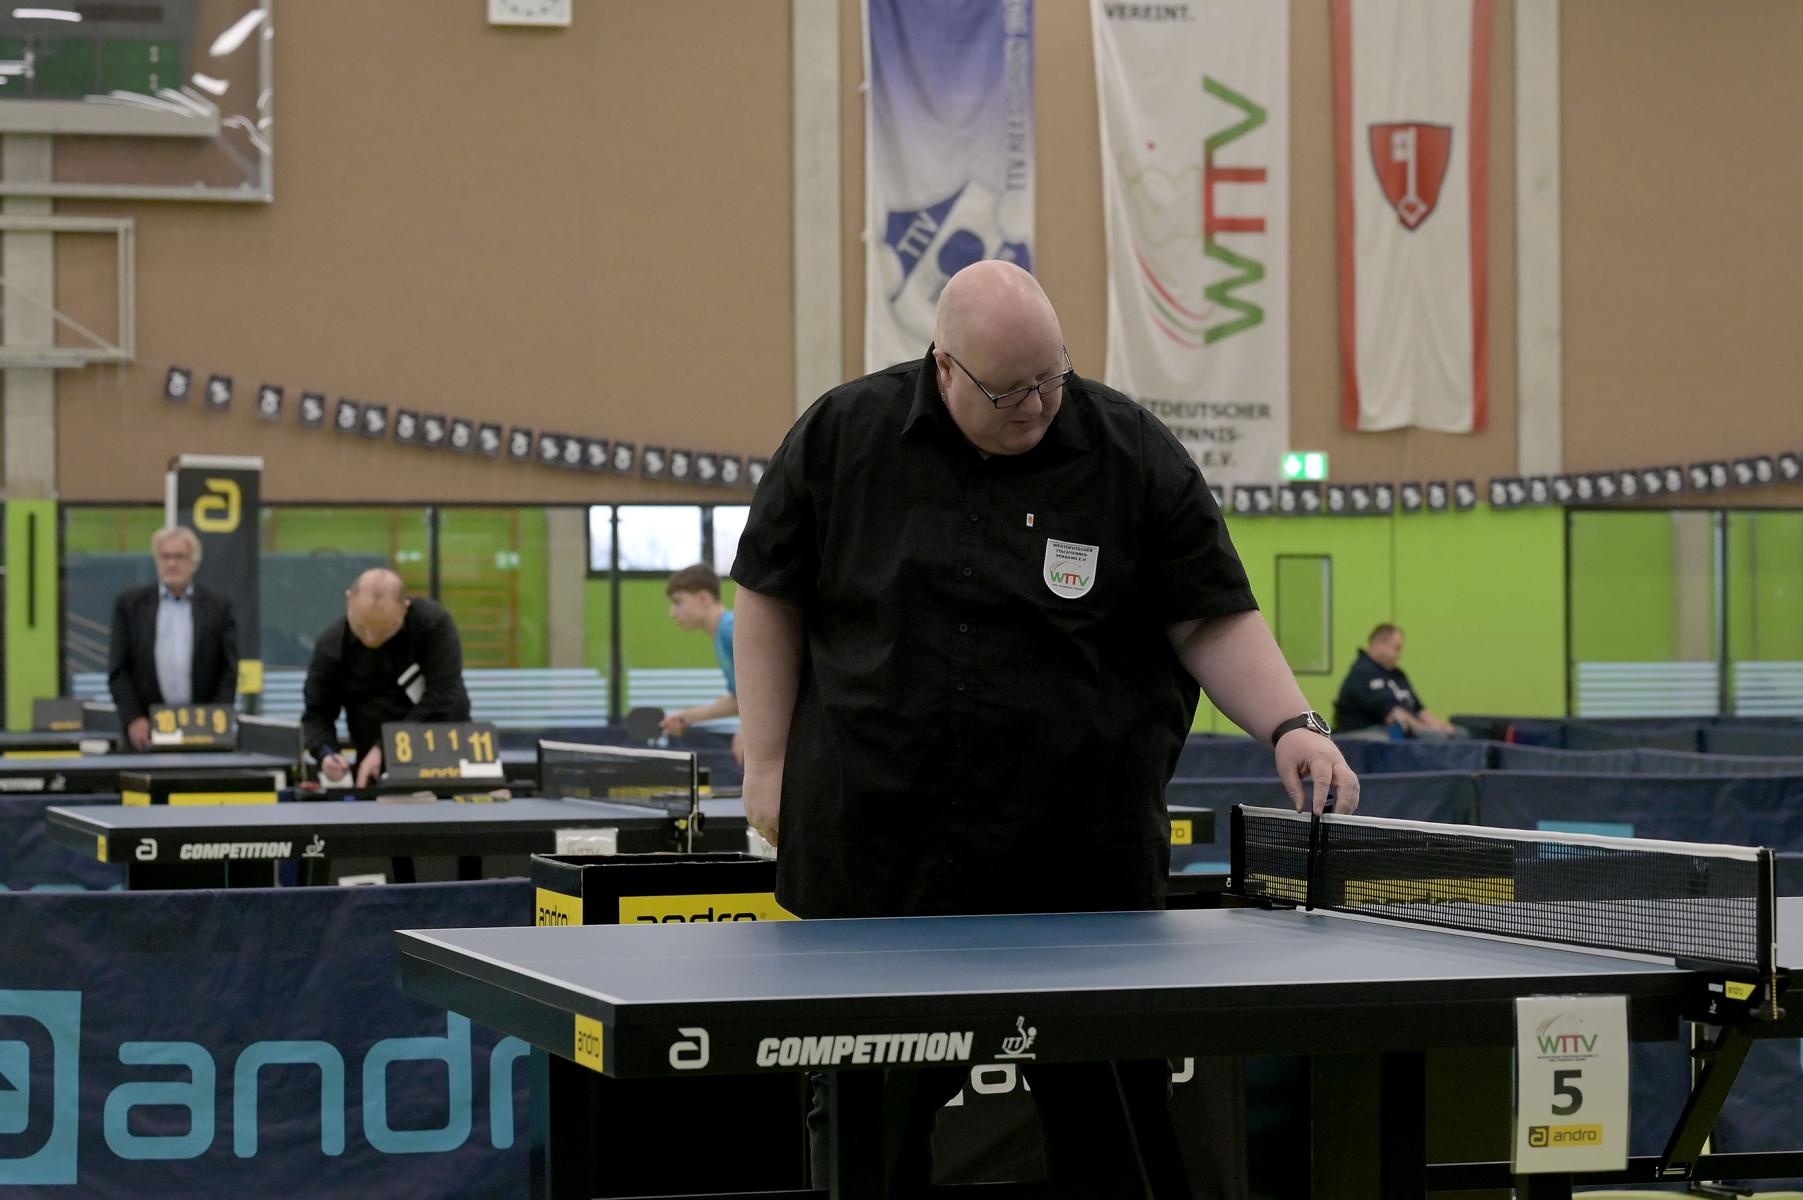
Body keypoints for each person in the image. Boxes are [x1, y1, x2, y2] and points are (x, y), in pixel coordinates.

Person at [730, 260, 1360, 1191]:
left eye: (1050, 376)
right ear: (944, 366)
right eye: (1008, 390)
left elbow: (1209, 616)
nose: (1034, 405)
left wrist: (1290, 722)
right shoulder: (842, 435)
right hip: (880, 861)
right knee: (869, 1135)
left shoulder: (1130, 452)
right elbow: (768, 593)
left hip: (1079, 866)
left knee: (1114, 1135)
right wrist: (769, 759)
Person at [301, 568, 472, 787]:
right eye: (361, 628)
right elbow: (317, 714)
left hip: (447, 756)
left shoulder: (433, 625)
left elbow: (443, 695)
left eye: (384, 630)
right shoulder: (331, 646)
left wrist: (388, 747)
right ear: (348, 601)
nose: (371, 638)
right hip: (373, 769)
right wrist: (327, 754)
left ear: (405, 607)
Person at [107, 526, 239, 751]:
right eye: (165, 556)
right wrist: (133, 718)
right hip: (146, 732)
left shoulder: (218, 607)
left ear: (194, 563)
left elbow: (228, 671)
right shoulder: (130, 606)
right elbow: (119, 670)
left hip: (203, 732)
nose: (171, 563)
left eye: (179, 557)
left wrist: (217, 719)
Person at [657, 563, 744, 765]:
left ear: (704, 598)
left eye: (678, 602)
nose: (672, 613)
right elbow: (742, 699)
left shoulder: (730, 629)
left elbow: (773, 684)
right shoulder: (721, 636)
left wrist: (748, 730)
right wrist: (689, 716)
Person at [1333, 623, 1461, 738]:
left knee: (1459, 734)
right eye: (1396, 648)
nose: (1399, 655)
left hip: (1403, 733)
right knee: (1434, 738)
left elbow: (1418, 708)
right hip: (1370, 736)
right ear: (1379, 645)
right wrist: (1427, 731)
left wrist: (1440, 727)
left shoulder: (1397, 674)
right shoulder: (1363, 673)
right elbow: (1392, 714)